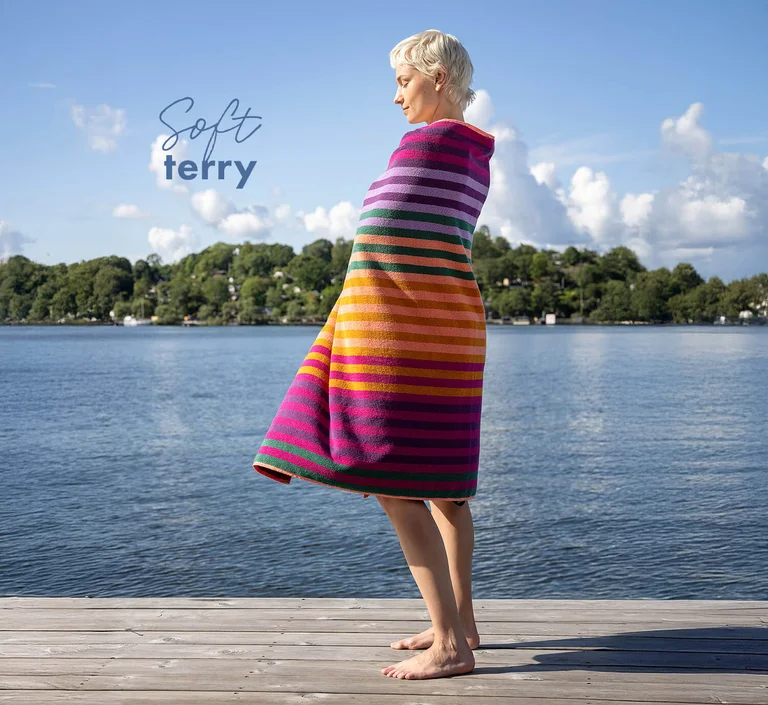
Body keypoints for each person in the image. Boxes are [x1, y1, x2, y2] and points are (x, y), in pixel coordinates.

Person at [252, 28, 495, 680]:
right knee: (445, 490)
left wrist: (347, 328)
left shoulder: (428, 145)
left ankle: (451, 644)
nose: (396, 98)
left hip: (405, 341)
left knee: (394, 484)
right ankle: (462, 618)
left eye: (402, 81)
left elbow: (383, 241)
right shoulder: (475, 154)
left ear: (437, 78)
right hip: (448, 334)